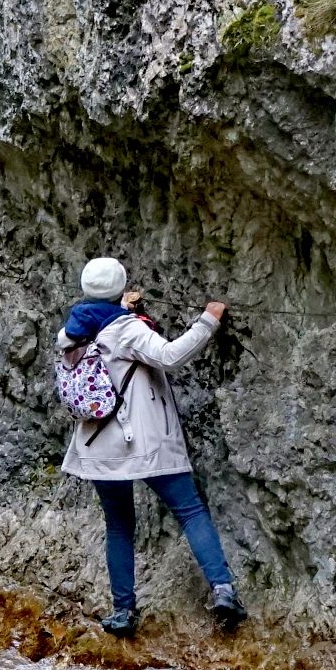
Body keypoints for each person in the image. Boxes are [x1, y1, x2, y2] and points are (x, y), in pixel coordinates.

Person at [57, 256, 240, 636]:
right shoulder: (125, 329)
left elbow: (106, 326)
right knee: (190, 510)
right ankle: (223, 590)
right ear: (120, 287)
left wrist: (123, 310)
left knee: (120, 524)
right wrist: (209, 320)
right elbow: (171, 356)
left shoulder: (74, 331)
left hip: (98, 443)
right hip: (146, 441)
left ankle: (123, 613)